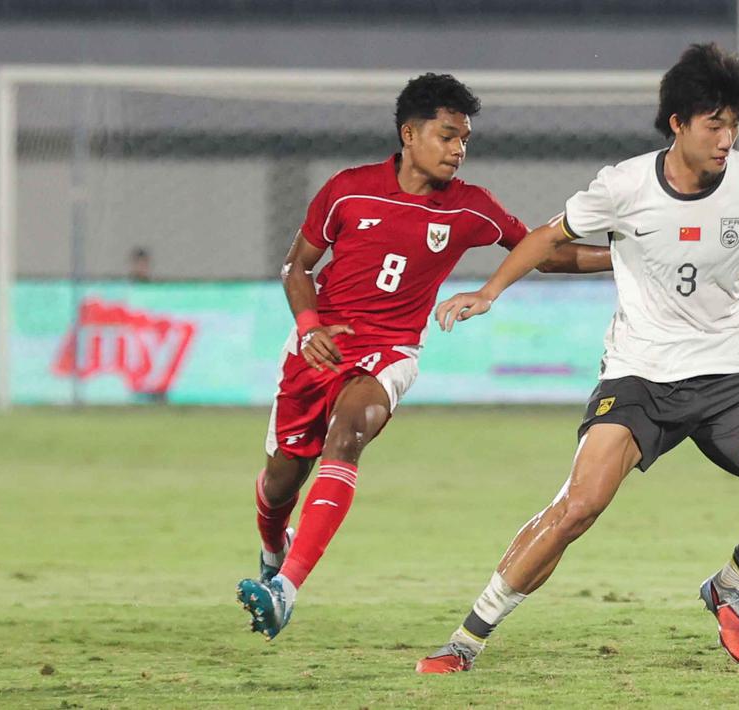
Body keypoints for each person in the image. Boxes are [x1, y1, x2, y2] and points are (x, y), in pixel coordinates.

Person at [417, 43, 739, 673]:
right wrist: (489, 292)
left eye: (735, 122)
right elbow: (548, 237)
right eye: (714, 123)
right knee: (580, 505)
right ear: (677, 123)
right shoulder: (624, 185)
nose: (727, 137)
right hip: (639, 376)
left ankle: (731, 585)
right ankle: (466, 640)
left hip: (727, 371)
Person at [235, 73, 612, 640]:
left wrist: (625, 256)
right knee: (280, 482)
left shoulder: (471, 209)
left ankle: (285, 588)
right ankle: (272, 547)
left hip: (389, 352)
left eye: (464, 139)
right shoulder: (348, 190)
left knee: (348, 436)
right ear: (409, 134)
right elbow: (296, 267)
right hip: (318, 351)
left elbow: (545, 253)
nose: (458, 149)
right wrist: (309, 324)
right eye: (447, 136)